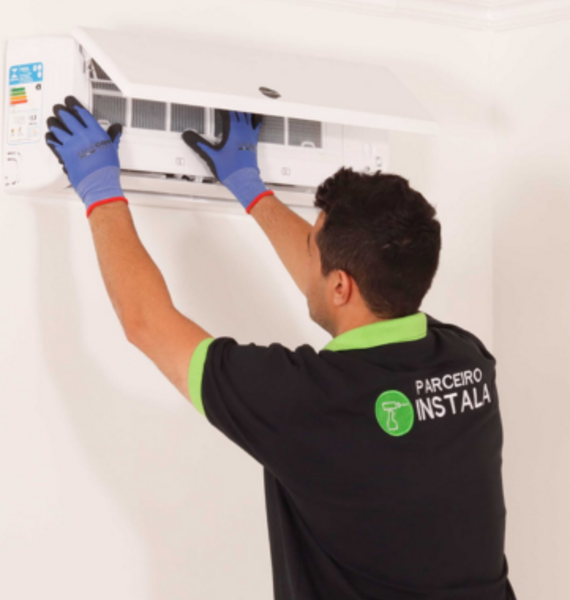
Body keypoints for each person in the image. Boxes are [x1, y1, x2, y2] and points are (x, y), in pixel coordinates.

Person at [45, 97, 516, 600]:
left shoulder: (309, 400)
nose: (307, 252)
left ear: (341, 285)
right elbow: (344, 284)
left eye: (311, 247)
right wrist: (250, 188)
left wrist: (99, 189)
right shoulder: (468, 362)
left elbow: (146, 323)